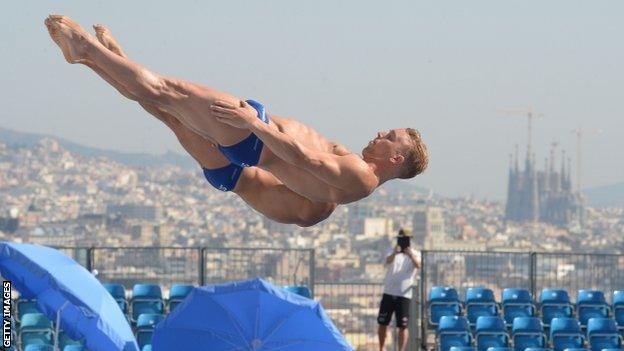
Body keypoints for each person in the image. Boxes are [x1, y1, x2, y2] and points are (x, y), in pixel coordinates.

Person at [44, 15, 429, 225]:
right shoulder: (345, 184)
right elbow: (299, 178)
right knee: (165, 108)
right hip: (242, 161)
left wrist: (254, 123)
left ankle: (87, 49)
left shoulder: (360, 177)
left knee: (168, 92)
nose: (380, 132)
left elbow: (303, 160)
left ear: (396, 158)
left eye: (390, 136)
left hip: (252, 140)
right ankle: (96, 60)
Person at [377, 229, 421, 351]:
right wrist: (395, 253)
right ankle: (382, 348)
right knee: (383, 323)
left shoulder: (415, 253)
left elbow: (418, 265)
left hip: (404, 295)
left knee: (403, 326)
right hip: (389, 292)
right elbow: (386, 262)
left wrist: (410, 255)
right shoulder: (390, 251)